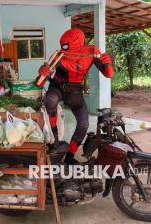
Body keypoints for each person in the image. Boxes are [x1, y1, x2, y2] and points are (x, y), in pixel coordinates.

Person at [35, 28, 114, 164]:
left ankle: (70, 156)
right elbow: (39, 83)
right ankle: (54, 141)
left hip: (75, 91)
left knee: (84, 124)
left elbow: (108, 74)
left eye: (66, 46)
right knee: (50, 100)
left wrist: (108, 64)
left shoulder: (91, 52)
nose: (64, 49)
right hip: (58, 87)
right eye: (63, 46)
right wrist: (43, 73)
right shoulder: (59, 55)